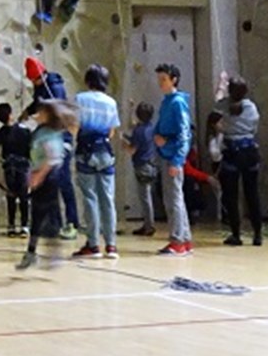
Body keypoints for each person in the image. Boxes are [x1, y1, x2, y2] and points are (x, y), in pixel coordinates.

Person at [17, 101, 76, 272]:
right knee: (39, 216)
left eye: (41, 112)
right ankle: (33, 253)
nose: (38, 114)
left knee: (43, 215)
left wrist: (38, 176)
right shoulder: (42, 131)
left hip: (48, 178)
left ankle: (45, 254)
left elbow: (51, 158)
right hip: (43, 175)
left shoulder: (49, 134)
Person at [25, 57, 78, 236]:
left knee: (63, 182)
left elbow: (58, 112)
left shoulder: (54, 88)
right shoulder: (40, 88)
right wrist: (27, 112)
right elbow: (37, 105)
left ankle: (72, 222)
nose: (33, 83)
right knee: (51, 186)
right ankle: (54, 223)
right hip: (51, 138)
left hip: (60, 139)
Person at [71, 66, 120, 259]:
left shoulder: (80, 99)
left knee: (90, 198)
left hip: (85, 152)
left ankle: (93, 244)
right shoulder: (111, 102)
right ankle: (111, 245)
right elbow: (112, 131)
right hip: (106, 153)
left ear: (88, 80)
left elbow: (74, 127)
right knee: (107, 199)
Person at [153, 63, 194, 254]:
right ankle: (184, 239)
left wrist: (177, 159)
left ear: (173, 80)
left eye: (164, 79)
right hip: (166, 154)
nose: (160, 83)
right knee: (175, 198)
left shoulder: (177, 103)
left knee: (173, 199)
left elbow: (184, 134)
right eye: (159, 79)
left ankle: (177, 241)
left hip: (172, 156)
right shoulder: (166, 102)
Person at [219, 76, 264, 247]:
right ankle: (257, 234)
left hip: (232, 152)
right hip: (250, 151)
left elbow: (214, 116)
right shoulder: (251, 108)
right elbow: (254, 128)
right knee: (252, 194)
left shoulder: (224, 105)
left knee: (231, 195)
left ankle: (236, 234)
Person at [0, 103, 33, 236]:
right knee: (24, 196)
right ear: (10, 115)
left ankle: (11, 226)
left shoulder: (2, 132)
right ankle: (24, 226)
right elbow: (32, 147)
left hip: (9, 167)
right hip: (23, 166)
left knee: (11, 195)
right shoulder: (24, 130)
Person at [120, 101, 159, 237]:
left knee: (145, 197)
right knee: (146, 196)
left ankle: (149, 225)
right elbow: (132, 124)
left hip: (141, 166)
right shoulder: (151, 128)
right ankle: (147, 224)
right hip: (152, 164)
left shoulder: (138, 131)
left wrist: (122, 142)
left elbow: (132, 150)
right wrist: (131, 109)